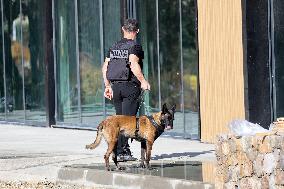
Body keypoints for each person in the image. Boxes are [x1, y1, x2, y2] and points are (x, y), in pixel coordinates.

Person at [102, 18, 150, 161]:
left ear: (123, 29)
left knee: (119, 119)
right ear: (137, 31)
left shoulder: (114, 47)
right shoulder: (135, 46)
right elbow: (134, 64)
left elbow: (105, 68)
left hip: (116, 88)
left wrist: (107, 86)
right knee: (127, 122)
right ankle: (122, 152)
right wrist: (143, 81)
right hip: (130, 87)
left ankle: (118, 151)